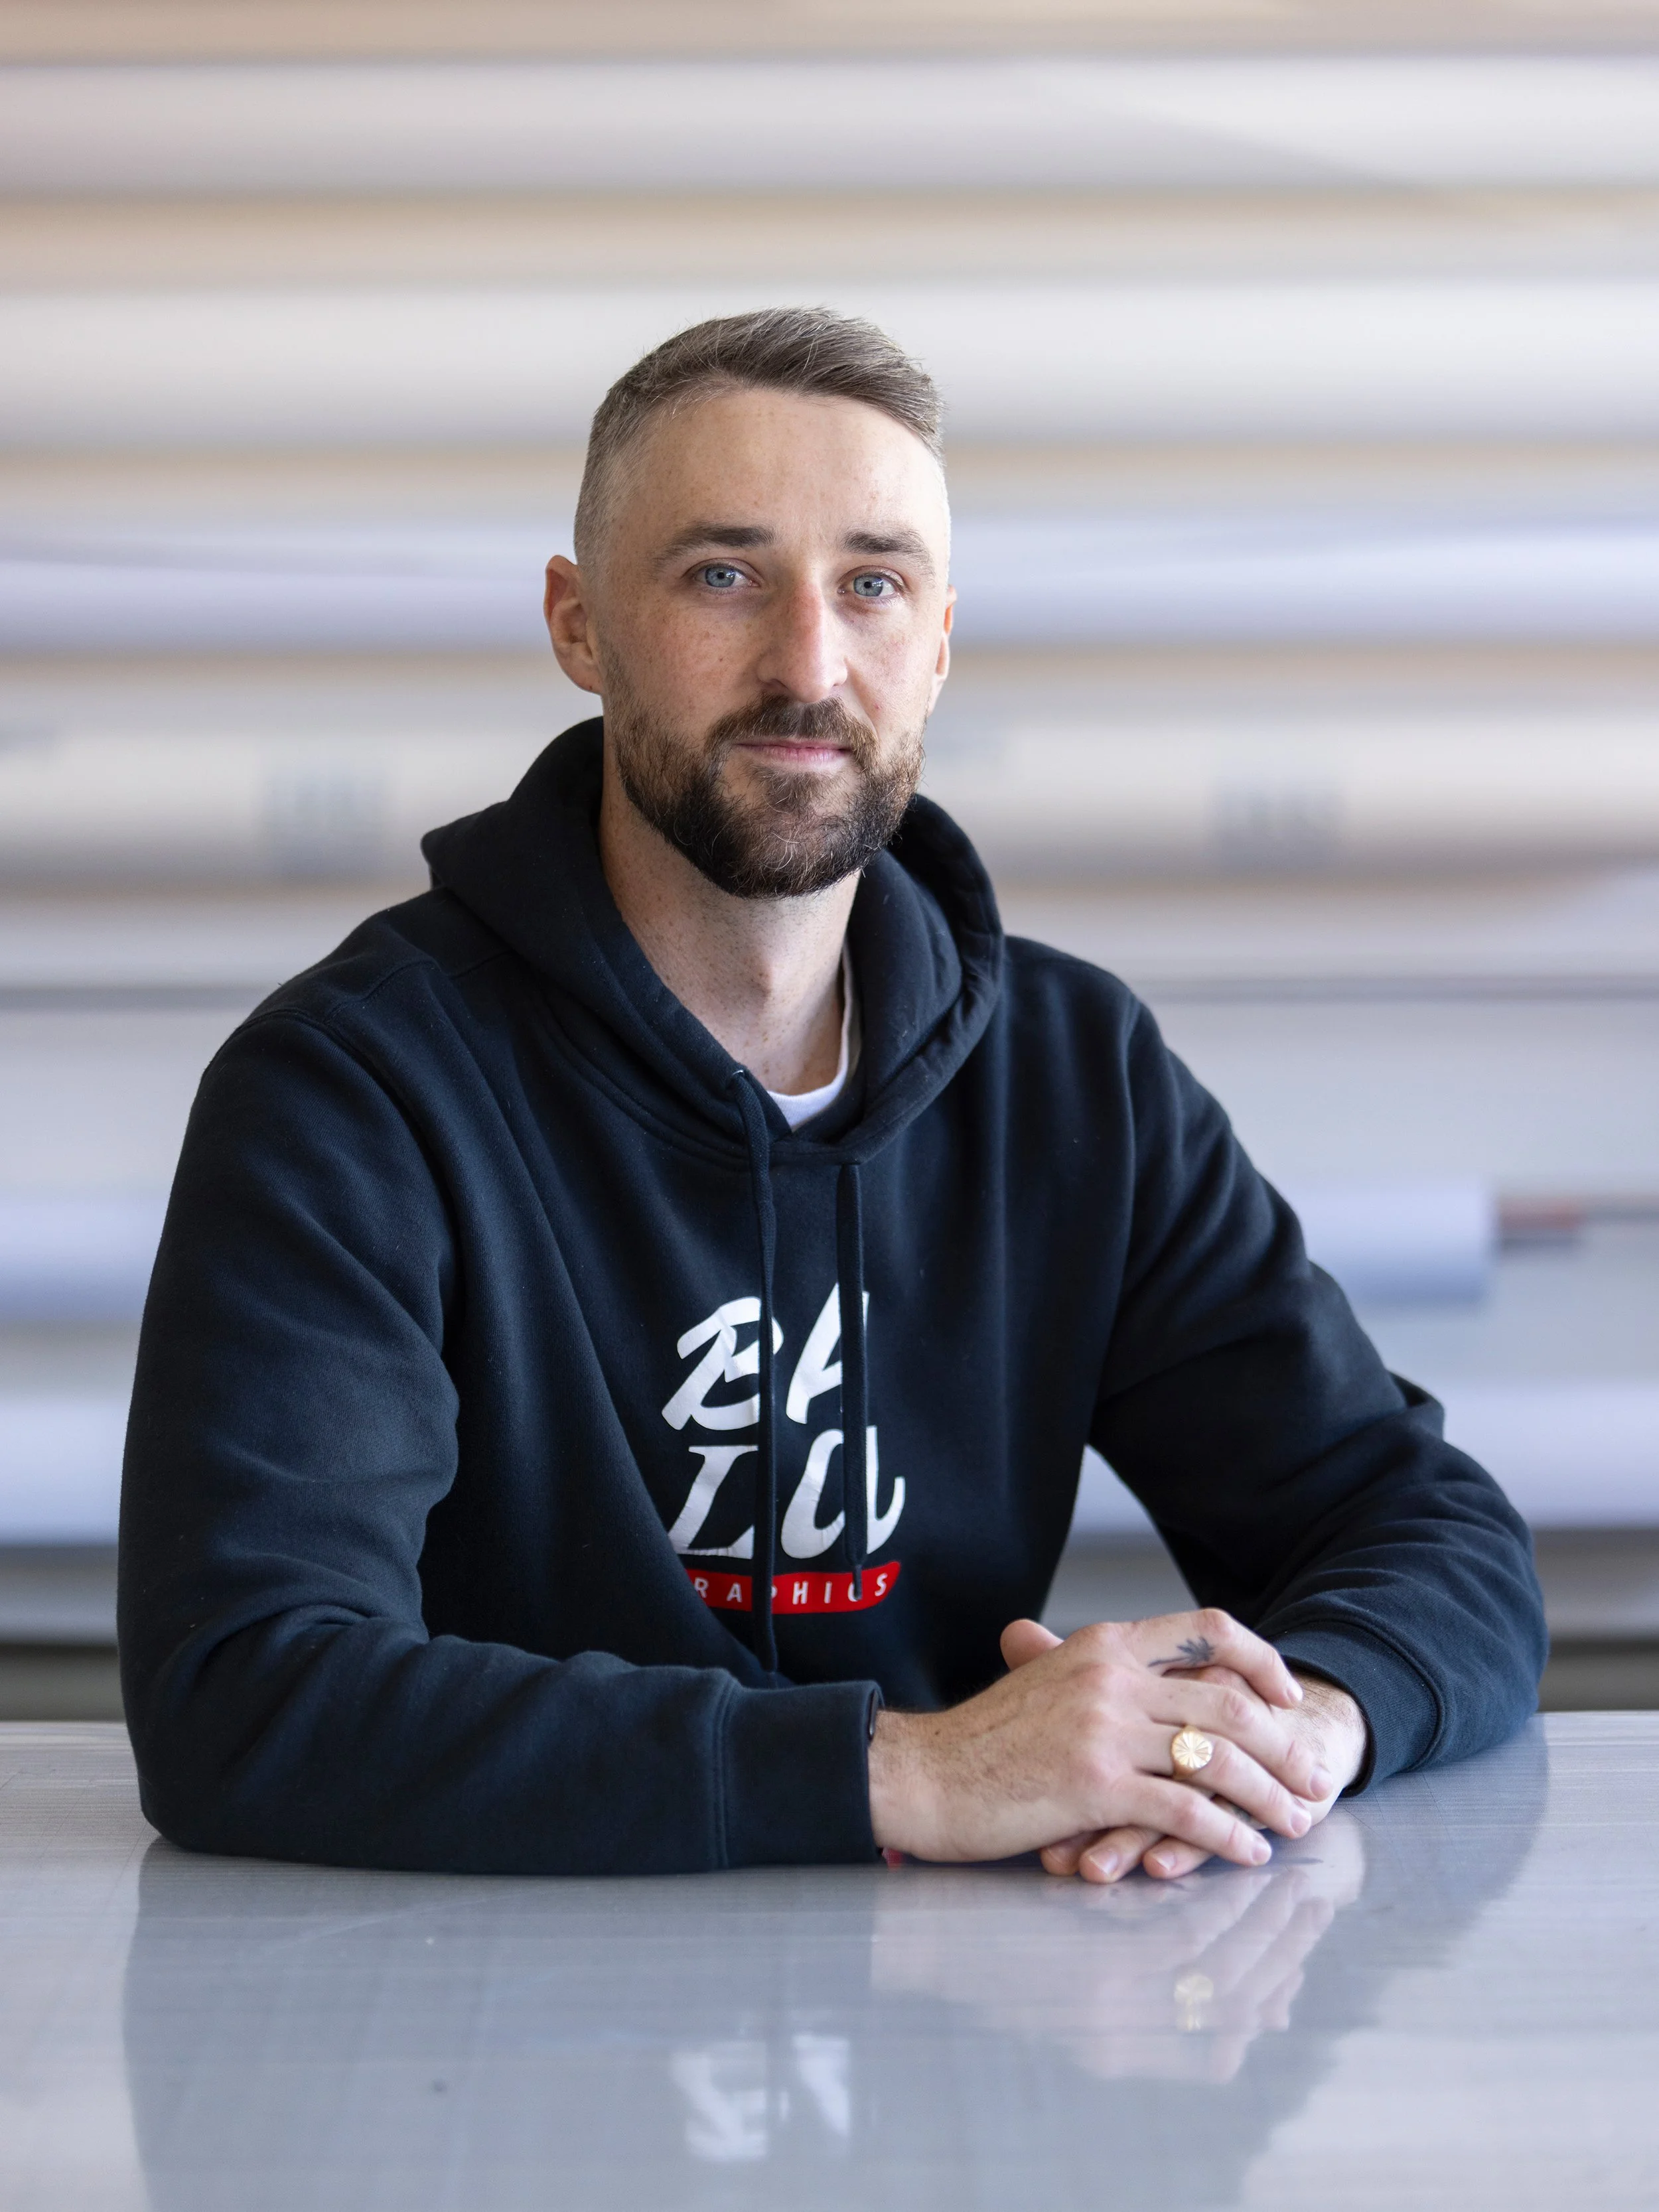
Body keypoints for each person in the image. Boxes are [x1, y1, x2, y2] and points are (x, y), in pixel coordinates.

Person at [118, 308, 1546, 1883]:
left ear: (936, 641)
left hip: (955, 2023)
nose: (809, 664)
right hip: (479, 2014)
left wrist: (1292, 1731)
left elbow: (1424, 1530)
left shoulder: (1074, 1075)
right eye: (722, 574)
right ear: (578, 624)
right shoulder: (354, 1088)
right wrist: (907, 1771)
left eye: (871, 583)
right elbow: (241, 1691)